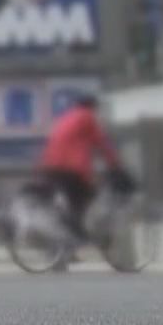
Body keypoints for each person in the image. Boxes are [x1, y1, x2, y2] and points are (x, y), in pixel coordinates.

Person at [37, 94, 126, 249]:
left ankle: (67, 240)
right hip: (70, 168)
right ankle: (76, 233)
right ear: (92, 107)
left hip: (50, 165)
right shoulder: (87, 117)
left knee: (72, 201)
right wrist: (115, 164)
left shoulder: (67, 117)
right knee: (86, 196)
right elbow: (101, 142)